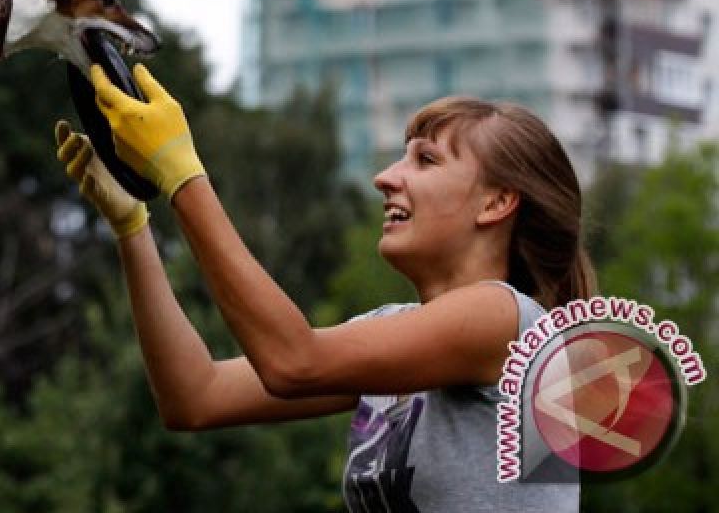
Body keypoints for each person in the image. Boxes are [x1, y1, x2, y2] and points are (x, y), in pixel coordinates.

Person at [53, 63, 596, 512]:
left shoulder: (504, 320)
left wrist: (183, 173)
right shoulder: (390, 331)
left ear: (497, 203)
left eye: (426, 160)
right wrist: (134, 227)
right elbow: (193, 397)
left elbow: (292, 360)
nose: (386, 177)